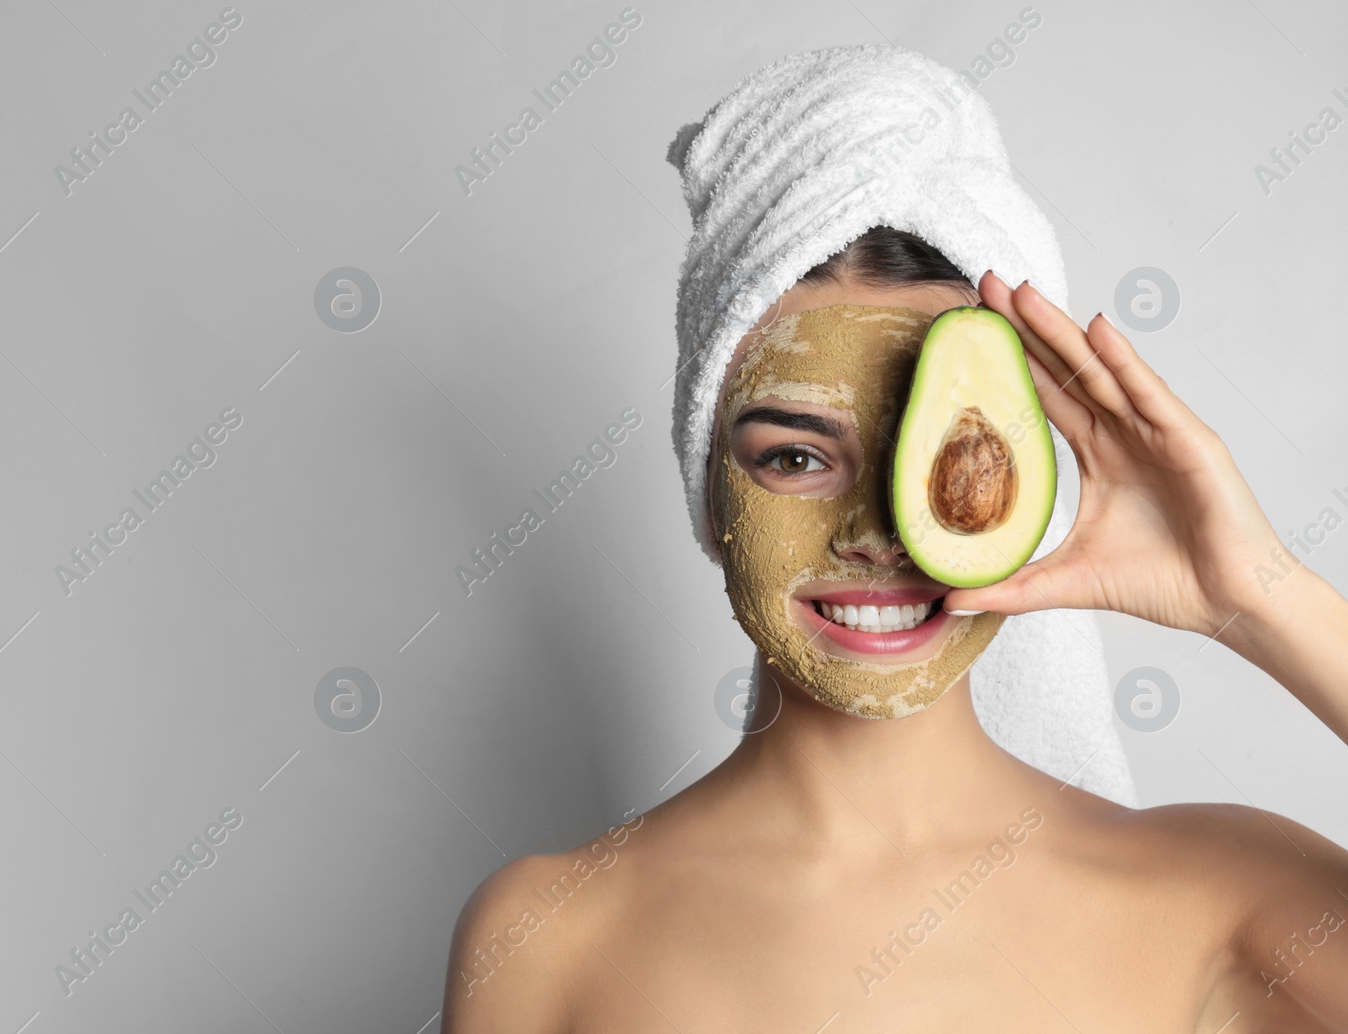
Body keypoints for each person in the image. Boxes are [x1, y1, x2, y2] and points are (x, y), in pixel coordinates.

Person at [441, 226, 1348, 1032]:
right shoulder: (543, 935)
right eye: (796, 456)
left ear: (1027, 492)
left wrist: (1261, 596)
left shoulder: (1219, 897)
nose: (877, 535)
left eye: (956, 454)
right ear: (708, 486)